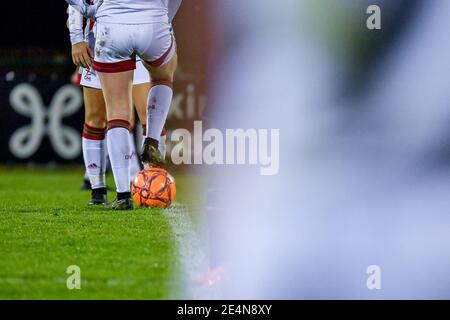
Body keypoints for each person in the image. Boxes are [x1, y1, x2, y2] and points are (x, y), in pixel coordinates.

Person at [66, 0, 181, 210]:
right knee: (162, 80)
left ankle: (123, 194)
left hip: (111, 28)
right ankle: (150, 145)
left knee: (116, 113)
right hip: (152, 24)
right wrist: (165, 19)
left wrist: (88, 12)